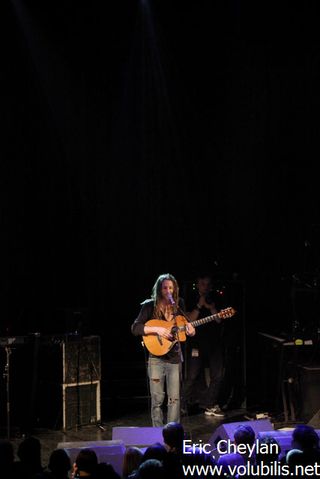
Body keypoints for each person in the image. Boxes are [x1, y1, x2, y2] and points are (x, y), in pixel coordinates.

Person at [131, 273, 195, 426]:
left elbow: (185, 326)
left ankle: (172, 433)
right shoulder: (149, 305)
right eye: (165, 287)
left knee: (174, 400)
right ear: (159, 289)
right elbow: (135, 328)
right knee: (157, 400)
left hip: (174, 359)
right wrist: (157, 330)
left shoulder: (179, 305)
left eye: (171, 288)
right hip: (156, 359)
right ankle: (157, 434)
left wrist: (191, 330)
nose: (168, 291)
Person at [183, 273, 226, 417]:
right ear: (198, 283)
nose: (205, 287)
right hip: (196, 344)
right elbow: (189, 319)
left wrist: (212, 308)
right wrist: (199, 305)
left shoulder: (216, 297)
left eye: (208, 284)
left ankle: (210, 404)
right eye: (203, 284)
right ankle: (181, 405)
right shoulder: (190, 297)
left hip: (214, 343)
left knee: (218, 375)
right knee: (192, 376)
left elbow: (220, 320)